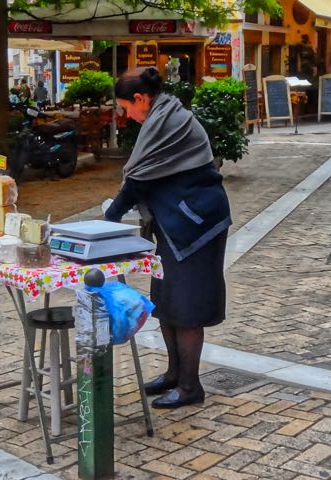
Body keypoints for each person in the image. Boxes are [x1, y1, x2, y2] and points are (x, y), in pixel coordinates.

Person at [105, 67, 231, 409]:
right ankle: (175, 374)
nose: (126, 116)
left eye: (126, 108)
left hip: (197, 225)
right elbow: (143, 175)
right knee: (167, 300)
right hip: (174, 223)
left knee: (187, 306)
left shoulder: (171, 121)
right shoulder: (162, 116)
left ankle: (191, 386)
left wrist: (109, 219)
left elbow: (139, 180)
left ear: (140, 99)